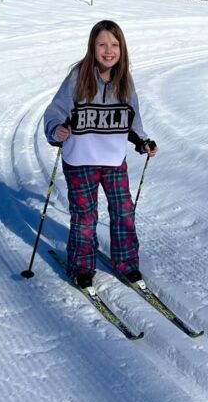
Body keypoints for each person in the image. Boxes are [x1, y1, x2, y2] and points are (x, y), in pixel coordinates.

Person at [43, 19, 157, 288]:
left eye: (114, 45)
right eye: (102, 44)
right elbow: (55, 112)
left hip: (113, 161)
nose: (109, 50)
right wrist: (57, 130)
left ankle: (126, 263)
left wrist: (143, 142)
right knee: (85, 217)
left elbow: (132, 120)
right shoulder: (78, 77)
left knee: (123, 212)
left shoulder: (124, 82)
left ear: (122, 49)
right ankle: (82, 266)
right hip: (80, 160)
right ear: (92, 47)